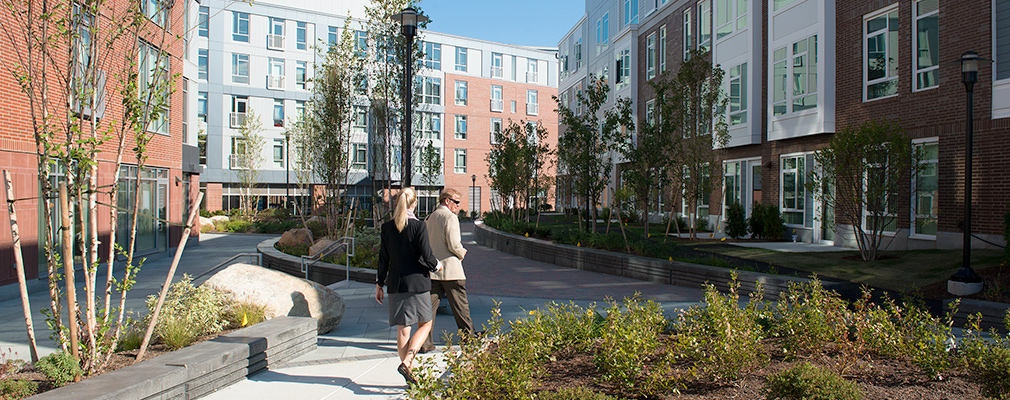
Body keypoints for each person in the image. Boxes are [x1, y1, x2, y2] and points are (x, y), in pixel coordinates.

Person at [375, 187, 441, 386]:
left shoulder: (386, 228)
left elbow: (383, 259)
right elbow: (428, 255)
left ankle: (408, 373)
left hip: (396, 284)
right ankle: (407, 362)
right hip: (417, 283)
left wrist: (379, 283)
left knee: (403, 330)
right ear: (415, 204)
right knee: (426, 324)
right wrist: (438, 265)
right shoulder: (419, 226)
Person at [421, 188, 474, 353]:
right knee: (460, 307)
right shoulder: (450, 217)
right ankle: (468, 339)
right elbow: (453, 244)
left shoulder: (429, 218)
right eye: (456, 202)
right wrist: (462, 253)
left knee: (428, 309)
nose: (458, 206)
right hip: (451, 270)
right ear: (446, 201)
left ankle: (424, 342)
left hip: (433, 271)